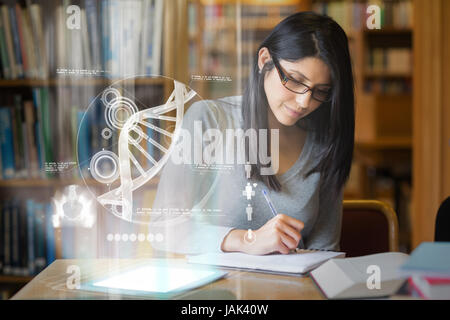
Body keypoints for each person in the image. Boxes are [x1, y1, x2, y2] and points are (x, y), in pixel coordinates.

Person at [149, 11, 354, 256]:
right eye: (295, 80)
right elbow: (163, 229)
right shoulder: (208, 120)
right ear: (264, 60)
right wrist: (247, 240)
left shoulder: (325, 143)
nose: (303, 102)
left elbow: (324, 250)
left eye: (321, 91)